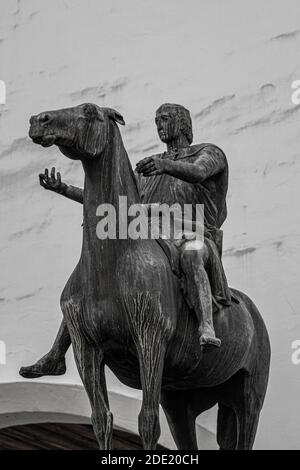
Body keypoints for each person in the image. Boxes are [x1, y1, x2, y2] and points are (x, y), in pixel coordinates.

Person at [19, 103, 232, 379]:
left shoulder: (207, 153)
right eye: (156, 120)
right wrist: (63, 189)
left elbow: (200, 172)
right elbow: (112, 199)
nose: (159, 125)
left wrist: (165, 166)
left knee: (192, 254)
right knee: (92, 279)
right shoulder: (150, 167)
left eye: (165, 119)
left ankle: (206, 325)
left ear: (182, 124)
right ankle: (56, 353)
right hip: (151, 234)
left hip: (191, 231)